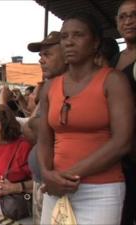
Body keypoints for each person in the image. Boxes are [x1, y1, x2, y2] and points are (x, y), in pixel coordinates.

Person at [38, 12, 134, 225]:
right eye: (64, 37)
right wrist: (47, 173)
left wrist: (66, 176)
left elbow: (122, 142)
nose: (69, 42)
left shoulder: (113, 81)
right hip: (55, 187)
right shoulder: (50, 87)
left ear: (95, 43)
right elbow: (44, 138)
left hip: (101, 190)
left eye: (78, 35)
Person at [26, 30, 68, 225]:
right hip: (43, 181)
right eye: (40, 55)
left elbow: (35, 129)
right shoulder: (50, 87)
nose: (42, 60)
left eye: (48, 54)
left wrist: (35, 123)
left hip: (61, 184)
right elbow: (30, 129)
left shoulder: (69, 88)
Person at [113, 1, 136, 225]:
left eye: (134, 15)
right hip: (121, 156)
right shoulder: (115, 59)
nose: (128, 21)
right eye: (123, 17)